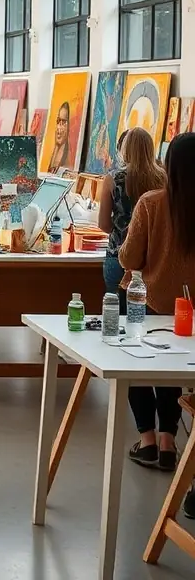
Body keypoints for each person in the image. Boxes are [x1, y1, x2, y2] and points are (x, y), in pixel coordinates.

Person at [118, 131, 195, 473]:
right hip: (189, 309)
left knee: (136, 369)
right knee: (173, 374)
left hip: (145, 302)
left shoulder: (151, 202)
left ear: (170, 165)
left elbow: (129, 258)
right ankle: (168, 441)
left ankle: (147, 440)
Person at [97, 128, 162, 315]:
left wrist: (121, 232)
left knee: (114, 316)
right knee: (146, 319)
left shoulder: (113, 179)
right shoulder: (162, 178)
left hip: (118, 256)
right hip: (152, 259)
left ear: (125, 149)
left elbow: (103, 224)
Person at [47, 101, 71, 171]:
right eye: (58, 121)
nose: (59, 127)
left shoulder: (68, 160)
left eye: (63, 122)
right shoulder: (54, 155)